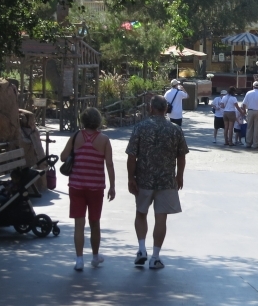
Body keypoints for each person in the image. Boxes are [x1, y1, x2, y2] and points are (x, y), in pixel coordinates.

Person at [126, 95, 189, 270]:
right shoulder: (175, 129)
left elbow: (132, 156)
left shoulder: (140, 127)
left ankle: (141, 249)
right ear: (166, 109)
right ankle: (155, 257)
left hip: (144, 179)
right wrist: (179, 176)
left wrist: (131, 178)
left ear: (151, 108)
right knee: (161, 217)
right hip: (166, 180)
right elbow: (181, 156)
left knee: (141, 213)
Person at [61, 107, 116, 271]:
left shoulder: (76, 136)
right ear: (98, 121)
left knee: (79, 223)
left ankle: (79, 260)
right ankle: (95, 256)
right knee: (94, 222)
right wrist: (112, 186)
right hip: (95, 187)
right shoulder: (104, 140)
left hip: (76, 185)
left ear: (83, 120)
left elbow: (63, 157)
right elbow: (109, 164)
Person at [241, 81, 258, 149]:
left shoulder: (248, 93)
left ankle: (248, 143)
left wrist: (244, 111)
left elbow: (244, 104)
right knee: (256, 128)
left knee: (249, 127)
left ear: (253, 86)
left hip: (250, 111)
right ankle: (255, 144)